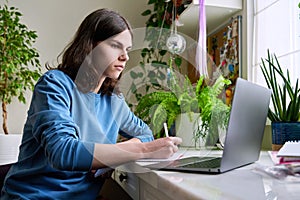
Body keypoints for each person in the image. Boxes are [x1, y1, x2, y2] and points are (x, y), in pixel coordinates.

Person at [1, 8, 182, 199]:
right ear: (90, 46)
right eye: (115, 45)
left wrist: (110, 158)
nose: (125, 57)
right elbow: (63, 152)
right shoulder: (54, 84)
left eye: (127, 50)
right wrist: (143, 151)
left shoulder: (113, 100)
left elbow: (144, 134)